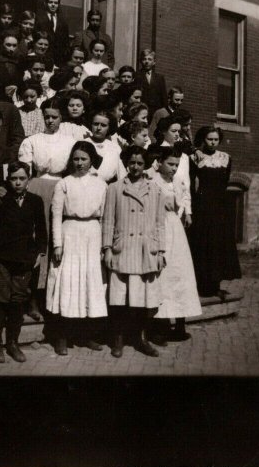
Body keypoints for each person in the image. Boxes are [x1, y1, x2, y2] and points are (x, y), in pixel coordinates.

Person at [103, 145, 166, 358]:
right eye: (131, 163)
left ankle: (140, 339)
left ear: (145, 164)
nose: (135, 167)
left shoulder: (155, 189)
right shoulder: (114, 188)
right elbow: (108, 221)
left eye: (140, 163)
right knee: (119, 298)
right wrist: (107, 249)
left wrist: (161, 250)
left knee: (141, 299)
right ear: (125, 163)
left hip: (145, 250)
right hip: (123, 249)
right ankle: (118, 339)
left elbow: (160, 223)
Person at [46, 141, 108, 355]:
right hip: (69, 233)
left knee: (90, 285)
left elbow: (106, 216)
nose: (79, 163)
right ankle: (61, 337)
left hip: (93, 234)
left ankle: (87, 335)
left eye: (84, 159)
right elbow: (55, 215)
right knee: (68, 284)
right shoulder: (64, 183)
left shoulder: (101, 185)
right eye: (76, 159)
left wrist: (104, 246)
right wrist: (57, 244)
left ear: (91, 160)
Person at [18, 97, 76, 309]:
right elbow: (24, 170)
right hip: (38, 188)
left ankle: (52, 298)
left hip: (61, 187)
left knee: (57, 239)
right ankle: (32, 297)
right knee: (39, 239)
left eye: (54, 117)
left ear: (61, 118)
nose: (50, 121)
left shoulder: (69, 142)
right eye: (47, 117)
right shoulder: (32, 140)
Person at [0, 161, 47, 364]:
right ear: (8, 180)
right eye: (14, 179)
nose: (18, 182)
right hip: (3, 258)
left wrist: (39, 252)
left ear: (28, 180)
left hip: (25, 259)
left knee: (17, 301)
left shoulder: (35, 201)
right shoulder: (1, 202)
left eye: (22, 178)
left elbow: (41, 231)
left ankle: (12, 342)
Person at [150, 146, 201, 343]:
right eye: (170, 164)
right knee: (162, 276)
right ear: (160, 163)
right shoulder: (152, 181)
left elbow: (185, 196)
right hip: (157, 227)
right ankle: (159, 326)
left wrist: (186, 212)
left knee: (180, 274)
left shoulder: (177, 181)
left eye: (176, 165)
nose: (173, 168)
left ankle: (180, 324)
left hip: (175, 228)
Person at [189, 126, 241, 298]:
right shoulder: (196, 158)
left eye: (215, 139)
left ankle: (216, 284)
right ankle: (203, 285)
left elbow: (225, 181)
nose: (212, 142)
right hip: (203, 207)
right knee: (204, 244)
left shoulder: (226, 158)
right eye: (209, 139)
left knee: (218, 244)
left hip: (220, 207)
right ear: (203, 139)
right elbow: (191, 183)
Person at [154, 115, 192, 227]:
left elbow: (186, 185)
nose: (177, 134)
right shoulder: (157, 152)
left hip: (178, 208)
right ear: (164, 132)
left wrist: (188, 212)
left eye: (179, 131)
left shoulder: (184, 157)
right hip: (160, 208)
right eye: (173, 131)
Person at [87, 110, 126, 183]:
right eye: (96, 124)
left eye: (103, 125)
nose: (98, 128)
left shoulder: (115, 147)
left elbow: (121, 174)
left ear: (109, 127)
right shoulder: (83, 143)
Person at [36, 0, 70, 67]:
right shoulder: (39, 19)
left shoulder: (63, 22)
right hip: (42, 58)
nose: (53, 5)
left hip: (59, 61)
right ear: (45, 3)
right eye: (50, 2)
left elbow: (66, 42)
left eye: (56, 3)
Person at [0, 31, 23, 101]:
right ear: (2, 45)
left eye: (14, 45)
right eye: (8, 45)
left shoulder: (20, 62)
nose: (11, 49)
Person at [135, 48, 168, 119]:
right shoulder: (136, 76)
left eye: (149, 59)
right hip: (141, 111)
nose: (147, 61)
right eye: (144, 59)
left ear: (154, 62)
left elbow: (164, 97)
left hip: (156, 112)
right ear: (141, 61)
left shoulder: (159, 78)